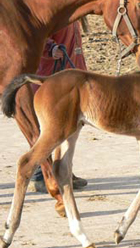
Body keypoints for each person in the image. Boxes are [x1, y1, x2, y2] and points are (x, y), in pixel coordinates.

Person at [28, 21, 88, 193]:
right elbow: (38, 34)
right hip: (51, 78)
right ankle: (40, 175)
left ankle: (64, 171)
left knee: (67, 130)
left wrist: (82, 71)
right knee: (47, 131)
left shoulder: (74, 15)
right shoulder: (56, 10)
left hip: (70, 76)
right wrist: (50, 49)